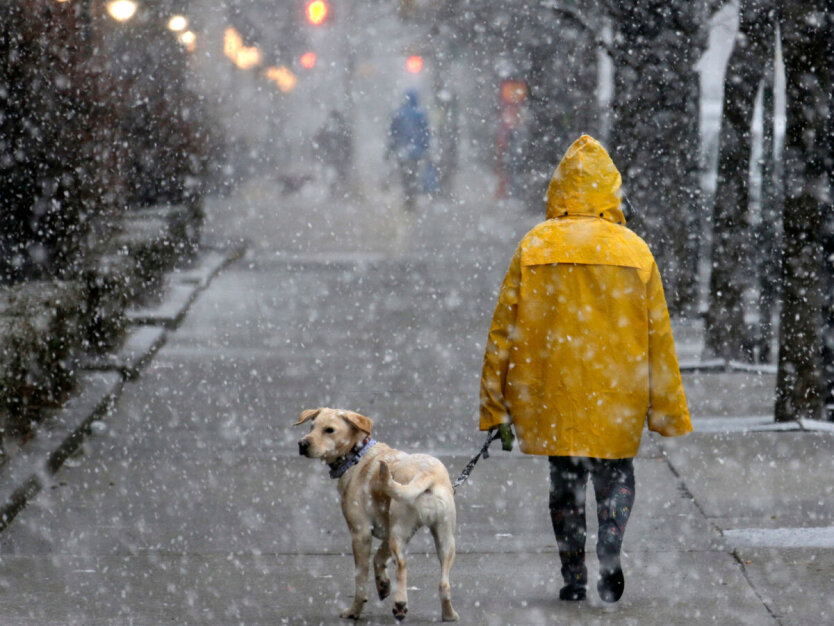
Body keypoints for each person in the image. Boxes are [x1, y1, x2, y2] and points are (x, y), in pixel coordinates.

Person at [479, 135, 692, 603]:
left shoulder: (534, 246)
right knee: (615, 473)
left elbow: (503, 333)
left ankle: (573, 577)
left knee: (565, 481)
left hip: (555, 390)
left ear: (559, 190)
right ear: (610, 191)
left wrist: (496, 406)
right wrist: (667, 410)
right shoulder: (635, 251)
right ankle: (610, 545)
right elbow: (659, 337)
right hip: (618, 389)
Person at [387, 89, 430, 211]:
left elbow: (393, 133)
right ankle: (412, 197)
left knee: (404, 175)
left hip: (403, 152)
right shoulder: (421, 114)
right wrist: (426, 148)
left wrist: (391, 149)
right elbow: (425, 134)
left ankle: (407, 198)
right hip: (416, 153)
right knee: (414, 175)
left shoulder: (399, 114)